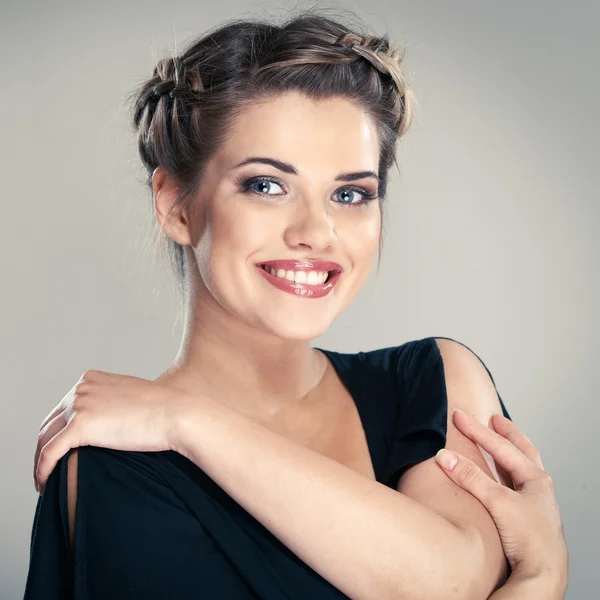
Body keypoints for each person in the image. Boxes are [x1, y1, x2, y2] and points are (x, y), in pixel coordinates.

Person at [23, 9, 568, 600]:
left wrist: (188, 421)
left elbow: (449, 578)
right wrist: (539, 577)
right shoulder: (113, 468)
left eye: (351, 193)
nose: (317, 231)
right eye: (266, 185)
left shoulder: (432, 382)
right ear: (176, 204)